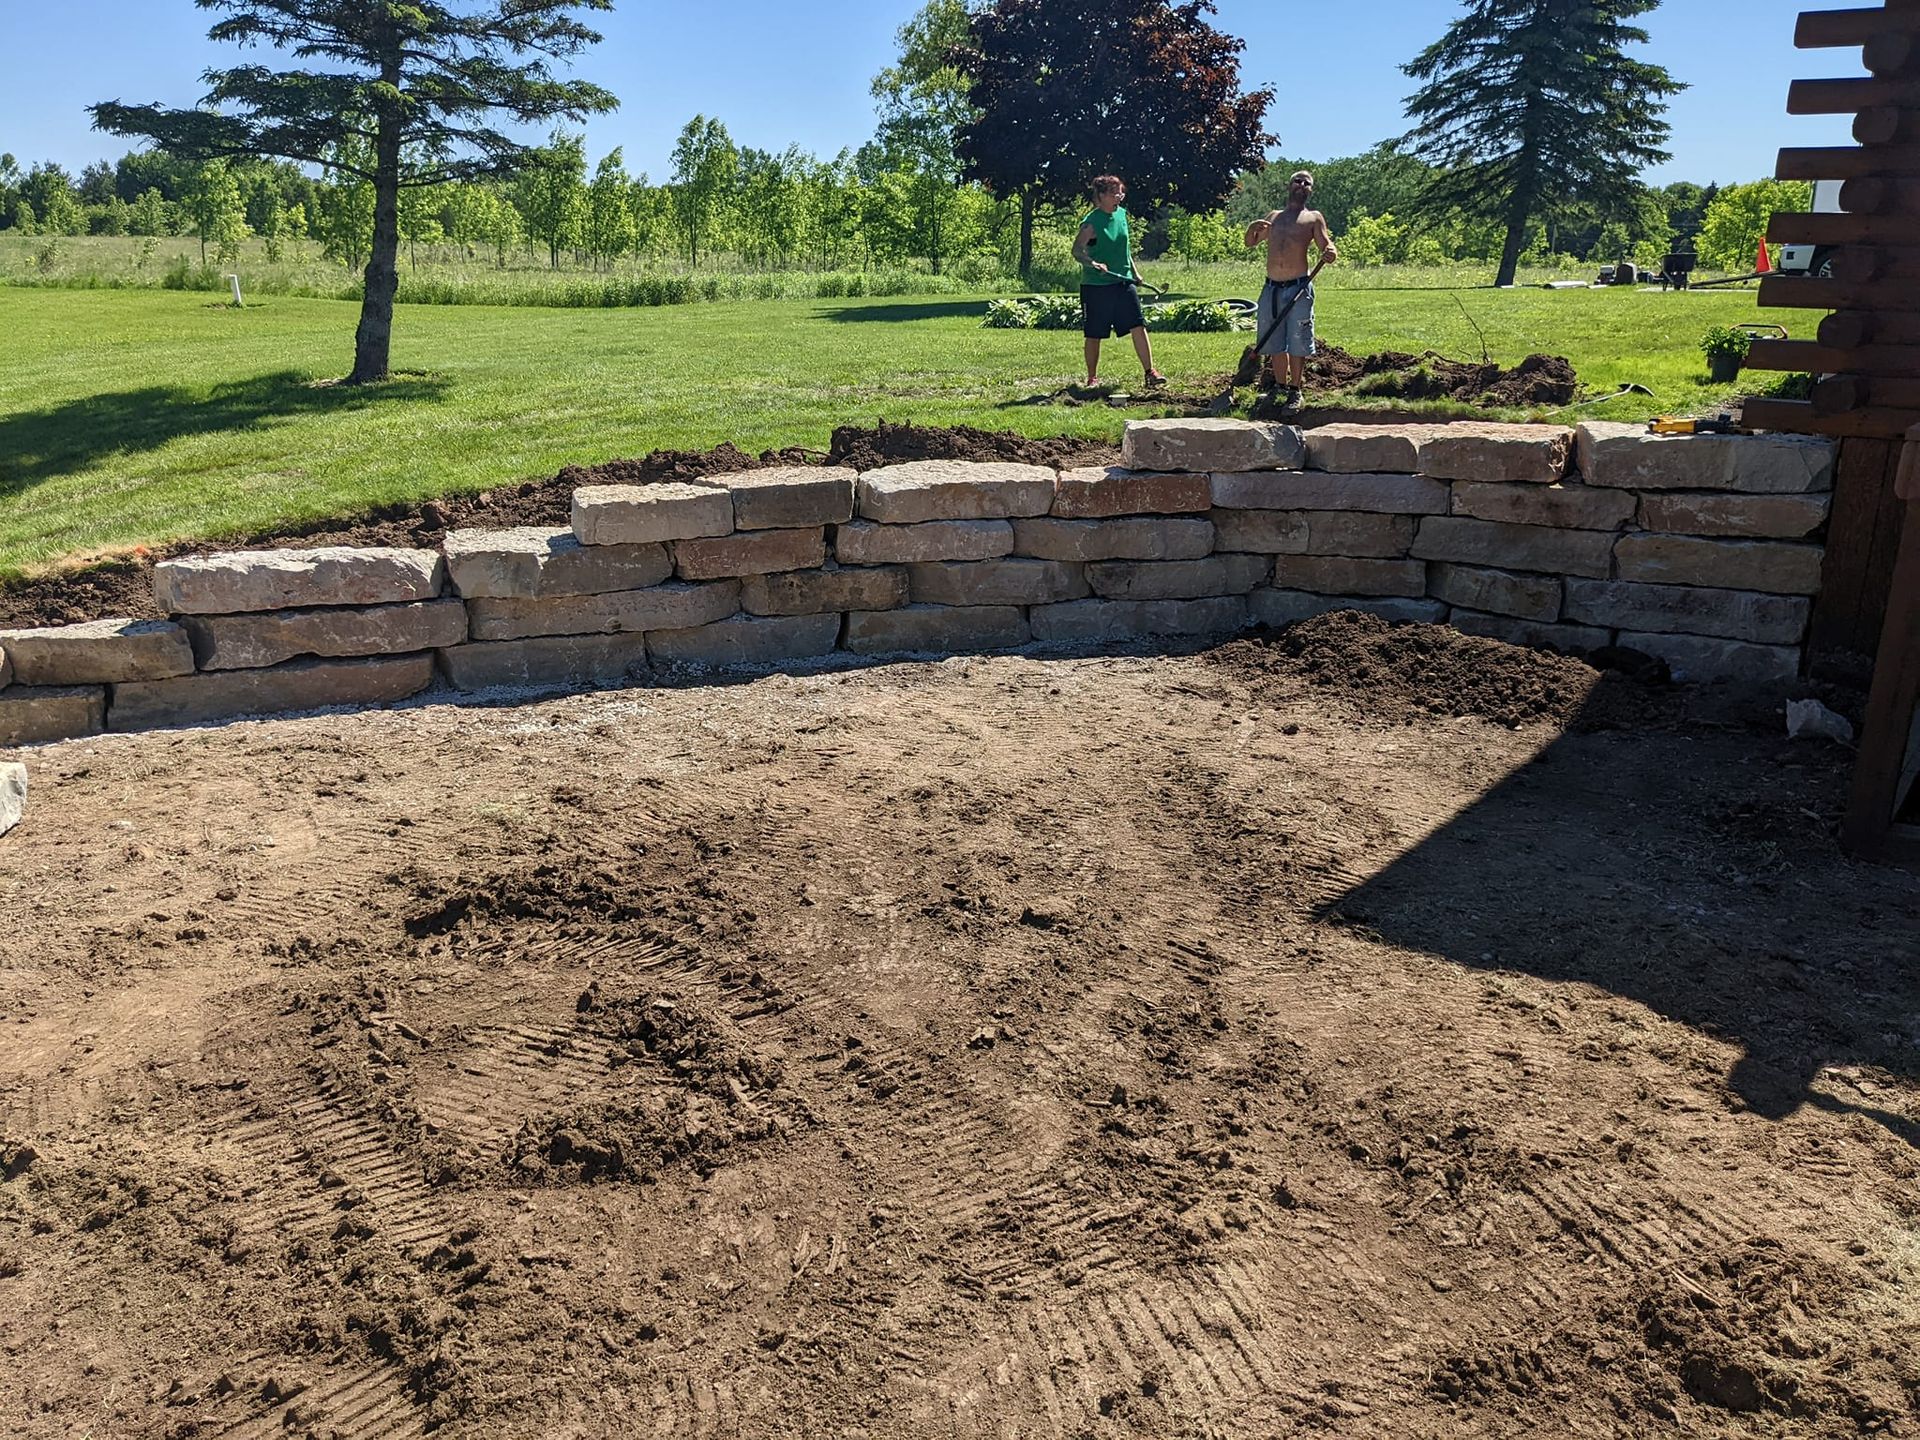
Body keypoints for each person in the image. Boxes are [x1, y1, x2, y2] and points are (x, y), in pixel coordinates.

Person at [1244, 171, 1337, 417]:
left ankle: (1295, 389)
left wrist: (1330, 252)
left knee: (1298, 339)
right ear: (1289, 186)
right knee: (1274, 340)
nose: (1302, 185)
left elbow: (1326, 244)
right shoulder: (1274, 217)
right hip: (1272, 288)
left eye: (1307, 183)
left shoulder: (1313, 218)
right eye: (1298, 181)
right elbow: (1251, 242)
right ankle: (1279, 386)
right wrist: (1251, 229)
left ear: (1311, 190)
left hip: (1298, 288)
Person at [1074, 175, 1166, 389]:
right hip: (1096, 286)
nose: (1120, 198)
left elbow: (1125, 250)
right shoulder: (1091, 223)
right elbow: (1077, 251)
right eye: (1116, 193)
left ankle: (1150, 373)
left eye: (1121, 193)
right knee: (1094, 333)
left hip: (1123, 282)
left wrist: (1135, 273)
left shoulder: (1122, 215)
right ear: (1102, 196)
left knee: (1138, 325)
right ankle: (1092, 378)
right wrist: (1093, 263)